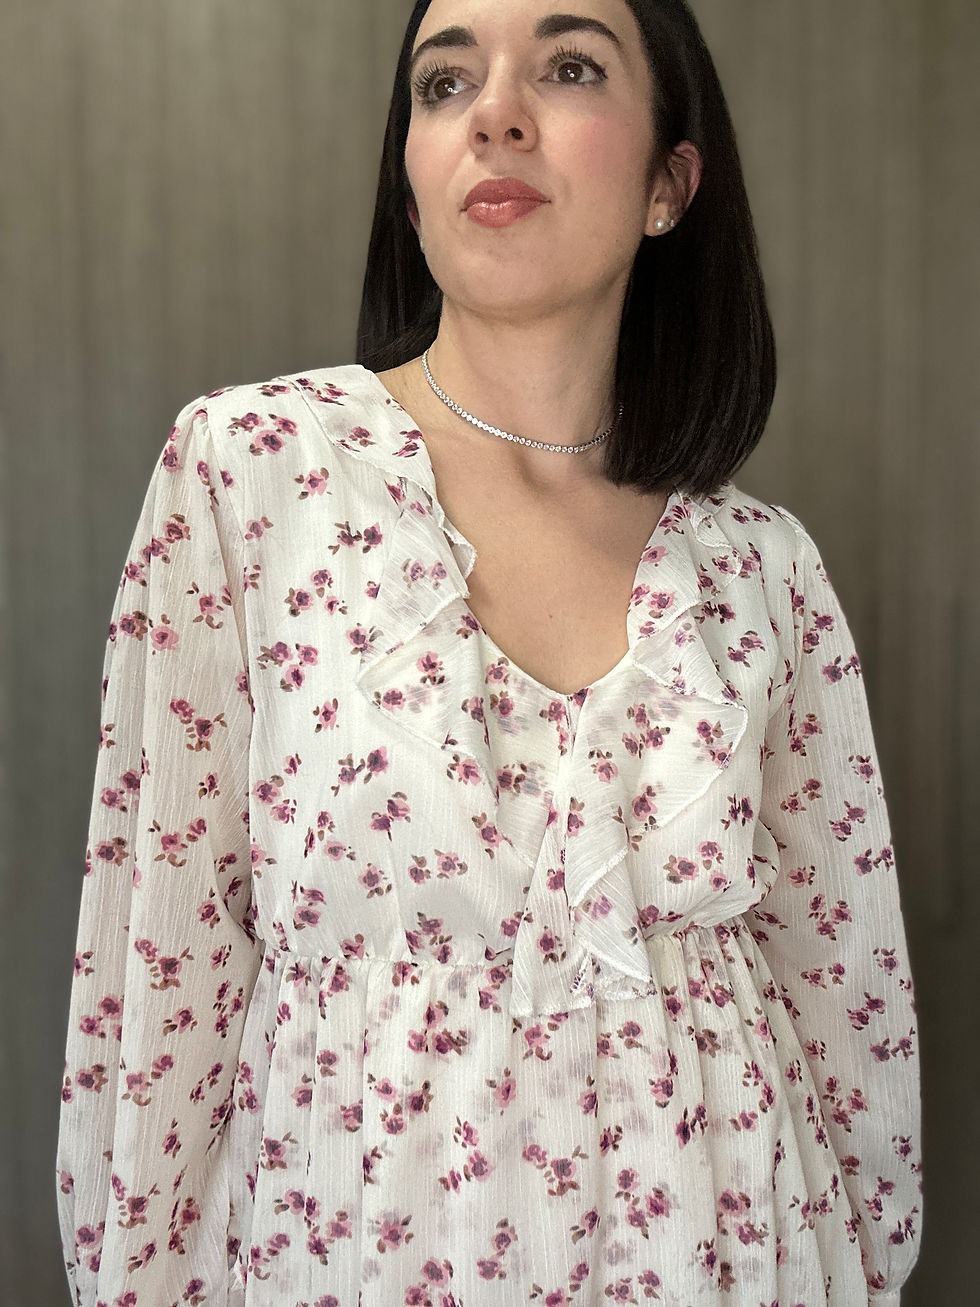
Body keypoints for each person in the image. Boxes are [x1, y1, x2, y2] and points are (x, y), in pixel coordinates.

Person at [56, 0, 922, 1303]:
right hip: (354, 1253)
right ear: (410, 188)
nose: (495, 114)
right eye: (445, 83)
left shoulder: (761, 569)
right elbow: (155, 982)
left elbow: (849, 1005)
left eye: (568, 68)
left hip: (731, 1253)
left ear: (671, 185)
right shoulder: (252, 475)